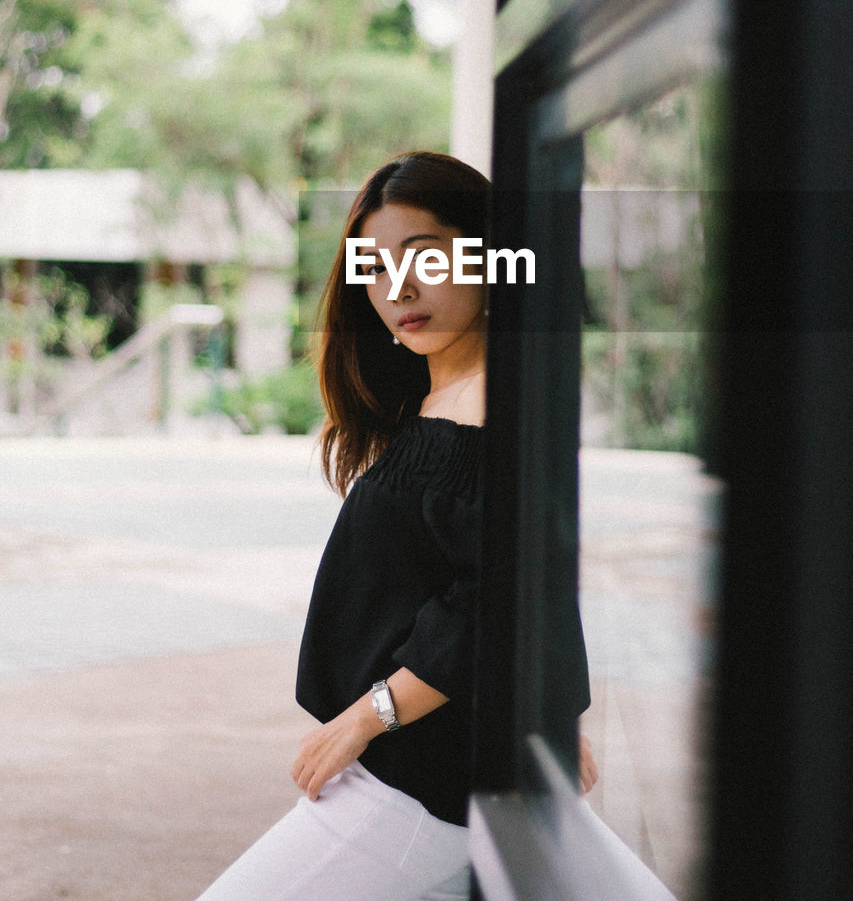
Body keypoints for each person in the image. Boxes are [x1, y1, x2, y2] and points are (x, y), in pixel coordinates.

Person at [194, 151, 596, 901]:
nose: (398, 289)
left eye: (424, 257)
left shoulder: (483, 406)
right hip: (423, 775)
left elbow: (498, 589)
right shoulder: (444, 400)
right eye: (373, 269)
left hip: (417, 784)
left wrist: (366, 717)